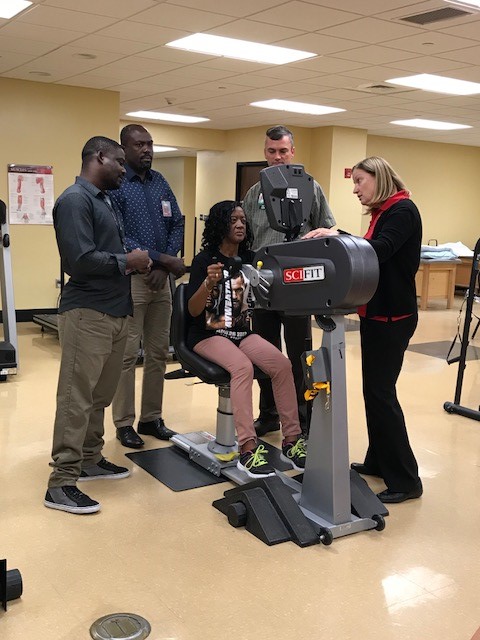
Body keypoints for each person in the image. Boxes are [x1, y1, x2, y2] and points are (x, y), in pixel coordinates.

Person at [304, 156, 423, 504]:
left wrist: (337, 235)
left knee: (382, 394)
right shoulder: (383, 212)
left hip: (393, 319)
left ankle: (405, 479)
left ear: (379, 177)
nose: (355, 189)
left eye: (359, 181)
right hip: (377, 315)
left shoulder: (403, 211)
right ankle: (378, 461)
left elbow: (381, 250)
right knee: (374, 392)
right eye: (353, 183)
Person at [44, 136, 152, 515]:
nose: (125, 168)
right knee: (76, 399)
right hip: (87, 313)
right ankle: (61, 482)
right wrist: (129, 261)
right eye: (120, 161)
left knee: (99, 397)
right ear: (99, 157)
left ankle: (90, 458)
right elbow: (79, 260)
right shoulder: (75, 200)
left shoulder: (103, 199)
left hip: (115, 313)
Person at [186, 200, 307, 478]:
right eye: (232, 220)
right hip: (207, 334)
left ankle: (291, 440)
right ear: (220, 225)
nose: (239, 224)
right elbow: (193, 310)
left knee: (282, 364)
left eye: (242, 220)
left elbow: (267, 291)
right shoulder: (205, 261)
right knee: (243, 367)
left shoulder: (251, 259)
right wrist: (208, 284)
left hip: (241, 333)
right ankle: (248, 449)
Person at [242, 125, 336, 437]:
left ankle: (302, 420)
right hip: (263, 287)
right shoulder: (254, 194)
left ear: (292, 152)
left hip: (298, 287)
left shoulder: (312, 188)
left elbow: (329, 231)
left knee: (299, 355)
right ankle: (268, 414)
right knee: (265, 354)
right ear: (264, 153)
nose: (278, 157)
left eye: (283, 151)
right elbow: (247, 241)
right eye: (272, 151)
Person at [109, 124, 186, 449]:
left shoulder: (160, 182)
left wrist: (165, 260)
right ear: (124, 149)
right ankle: (124, 423)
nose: (147, 150)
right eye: (139, 144)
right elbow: (118, 233)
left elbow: (178, 221)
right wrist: (161, 261)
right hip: (133, 281)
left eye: (150, 144)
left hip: (160, 281)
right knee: (127, 356)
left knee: (157, 353)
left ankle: (151, 418)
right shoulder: (116, 185)